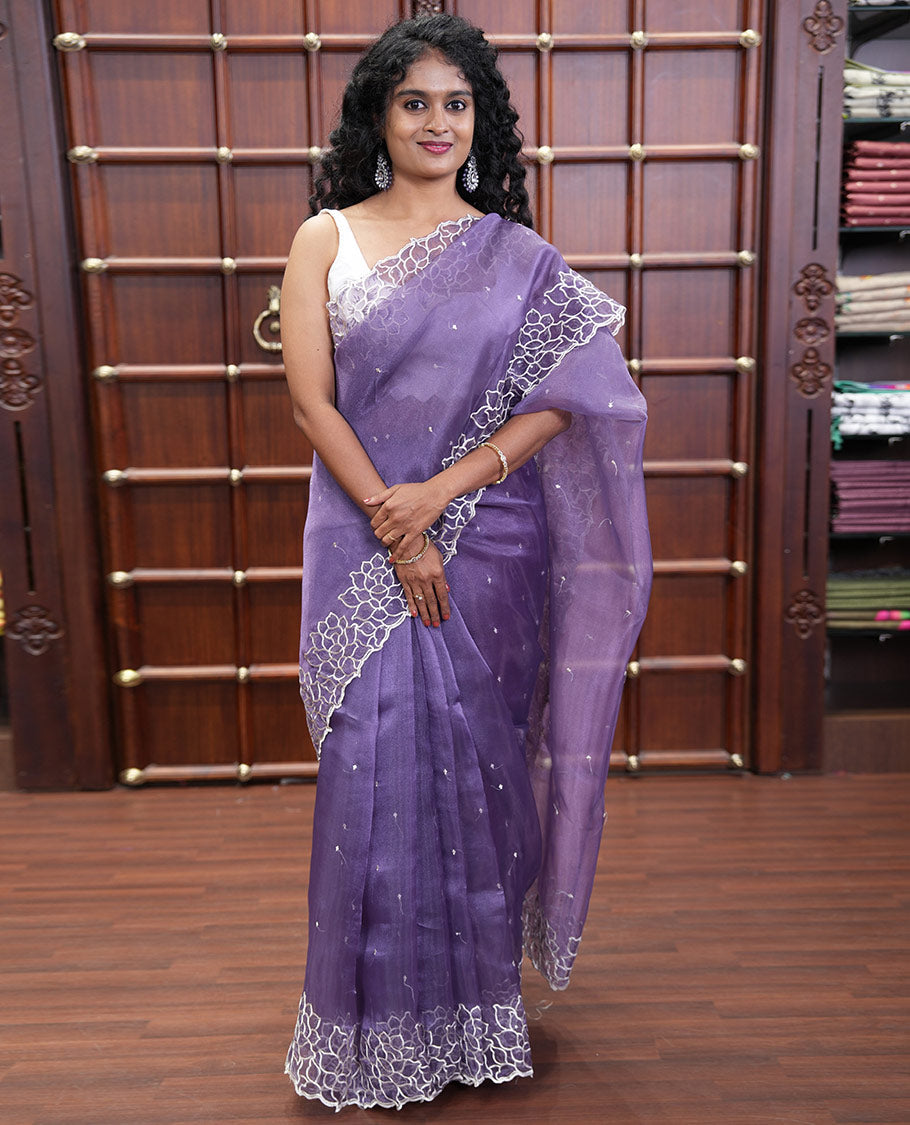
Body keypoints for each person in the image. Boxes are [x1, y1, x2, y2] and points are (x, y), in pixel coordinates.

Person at [280, 12, 651, 1111]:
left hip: (486, 543)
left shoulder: (517, 255)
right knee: (373, 774)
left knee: (478, 775)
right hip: (360, 536)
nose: (436, 122)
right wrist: (395, 524)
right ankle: (369, 1034)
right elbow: (310, 397)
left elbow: (578, 399)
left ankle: (473, 1021)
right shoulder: (327, 238)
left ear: (479, 122)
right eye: (414, 102)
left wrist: (445, 492)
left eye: (456, 103)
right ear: (377, 119)